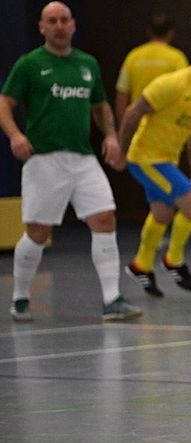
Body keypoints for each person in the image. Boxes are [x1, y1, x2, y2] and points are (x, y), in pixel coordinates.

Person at [0, 1, 142, 322]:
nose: (59, 26)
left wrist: (110, 136)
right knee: (37, 232)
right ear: (42, 27)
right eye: (52, 21)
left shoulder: (87, 63)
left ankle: (112, 300)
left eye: (64, 20)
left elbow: (100, 105)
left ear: (73, 25)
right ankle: (20, 297)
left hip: (83, 158)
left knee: (104, 218)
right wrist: (15, 135)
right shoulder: (30, 64)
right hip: (44, 160)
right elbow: (4, 103)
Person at [116, 35, 191, 298]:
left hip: (167, 160)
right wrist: (121, 151)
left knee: (162, 213)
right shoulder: (172, 83)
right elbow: (133, 112)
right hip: (146, 158)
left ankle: (141, 265)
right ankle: (173, 260)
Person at [114, 13, 188, 122]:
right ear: (171, 33)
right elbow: (185, 94)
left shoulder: (133, 56)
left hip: (136, 123)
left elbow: (122, 93)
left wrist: (123, 123)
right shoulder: (178, 58)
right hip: (166, 125)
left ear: (149, 31)